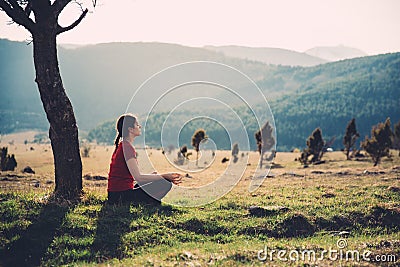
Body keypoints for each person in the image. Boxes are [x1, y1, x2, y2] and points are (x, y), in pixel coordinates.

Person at [108, 114, 182, 204]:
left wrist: (155, 177)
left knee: (157, 178)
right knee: (165, 183)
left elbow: (135, 177)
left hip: (116, 194)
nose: (139, 126)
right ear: (130, 129)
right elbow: (138, 177)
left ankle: (150, 201)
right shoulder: (127, 147)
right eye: (137, 125)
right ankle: (150, 203)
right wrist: (165, 176)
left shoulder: (123, 145)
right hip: (121, 196)